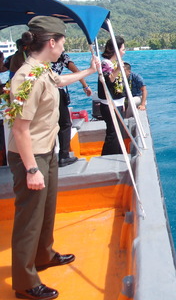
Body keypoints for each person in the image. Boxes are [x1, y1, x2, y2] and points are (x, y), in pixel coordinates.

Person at [6, 16, 99, 299]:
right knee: (29, 217)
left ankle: (44, 255)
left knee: (46, 210)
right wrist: (32, 169)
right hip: (30, 156)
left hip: (46, 150)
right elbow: (20, 129)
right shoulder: (27, 77)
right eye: (62, 42)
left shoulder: (42, 70)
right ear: (51, 42)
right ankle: (24, 282)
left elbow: (60, 80)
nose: (63, 47)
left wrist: (88, 71)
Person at [51, 52, 93, 167]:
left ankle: (48, 157)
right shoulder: (61, 55)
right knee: (65, 124)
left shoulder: (35, 54)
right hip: (55, 91)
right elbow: (76, 70)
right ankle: (64, 156)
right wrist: (85, 86)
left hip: (41, 93)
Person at [97, 36, 126, 155]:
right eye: (123, 49)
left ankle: (119, 154)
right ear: (116, 50)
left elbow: (119, 85)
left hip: (117, 104)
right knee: (113, 133)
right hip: (109, 105)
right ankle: (107, 156)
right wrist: (118, 69)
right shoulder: (106, 63)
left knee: (119, 132)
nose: (124, 51)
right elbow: (108, 81)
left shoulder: (114, 63)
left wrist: (122, 102)